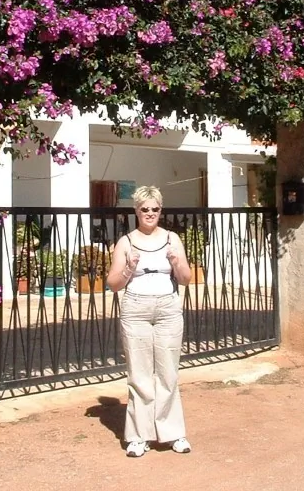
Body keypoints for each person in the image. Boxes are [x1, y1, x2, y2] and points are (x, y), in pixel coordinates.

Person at [107, 185, 193, 458]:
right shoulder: (126, 242)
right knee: (140, 375)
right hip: (136, 310)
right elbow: (113, 284)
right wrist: (129, 267)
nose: (150, 214)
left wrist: (176, 262)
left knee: (168, 373)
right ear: (136, 210)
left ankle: (172, 433)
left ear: (160, 210)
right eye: (145, 209)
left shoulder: (171, 239)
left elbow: (186, 278)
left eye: (155, 209)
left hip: (167, 309)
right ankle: (138, 436)